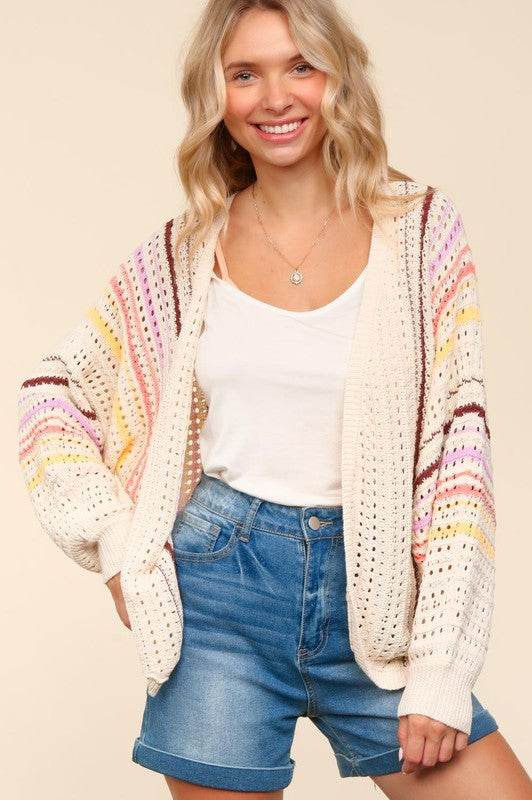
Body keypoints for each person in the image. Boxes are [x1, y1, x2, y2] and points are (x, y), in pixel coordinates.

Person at [17, 1, 532, 798]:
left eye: (300, 66)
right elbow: (53, 395)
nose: (276, 96)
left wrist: (440, 666)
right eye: (245, 74)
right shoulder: (186, 252)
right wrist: (117, 543)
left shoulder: (421, 228)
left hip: (380, 605)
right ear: (217, 96)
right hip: (219, 598)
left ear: (338, 79)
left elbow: (459, 455)